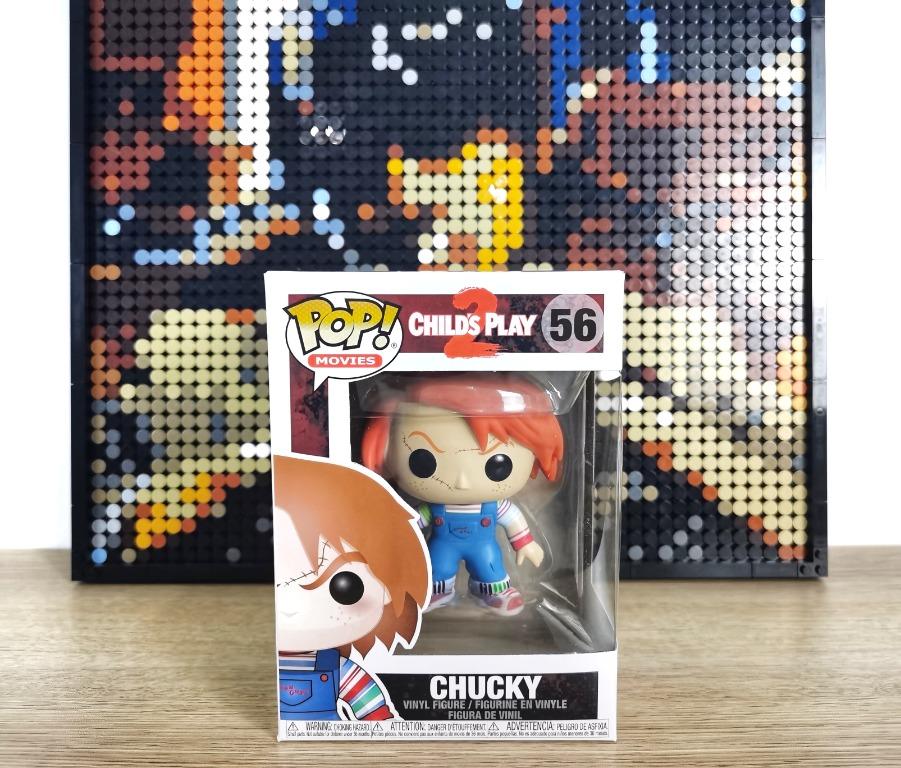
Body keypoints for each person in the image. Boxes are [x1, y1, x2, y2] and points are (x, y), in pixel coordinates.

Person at [362, 375, 564, 617]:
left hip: (484, 547)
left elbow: (513, 519)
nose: (462, 482)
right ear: (387, 453)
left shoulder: (496, 506)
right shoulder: (431, 508)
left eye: (498, 465)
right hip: (442, 546)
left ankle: (494, 591)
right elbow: (413, 523)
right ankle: (437, 590)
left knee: (491, 567)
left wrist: (525, 544)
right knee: (437, 567)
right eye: (423, 463)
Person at [273, 454, 429, 721]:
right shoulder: (267, 662)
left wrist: (381, 724)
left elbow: (372, 709)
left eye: (345, 587)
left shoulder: (339, 667)